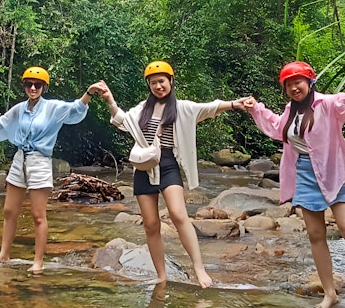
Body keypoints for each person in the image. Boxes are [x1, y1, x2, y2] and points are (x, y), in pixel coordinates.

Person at [238, 60, 345, 308]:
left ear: (309, 82)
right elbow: (275, 127)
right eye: (289, 84)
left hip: (332, 171)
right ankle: (330, 293)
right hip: (305, 175)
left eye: (298, 82)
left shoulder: (325, 104)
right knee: (316, 236)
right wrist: (256, 109)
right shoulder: (290, 112)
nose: (294, 87)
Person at [95, 61, 244, 289]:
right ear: (149, 85)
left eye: (162, 81)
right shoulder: (143, 108)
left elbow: (209, 107)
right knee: (151, 225)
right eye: (153, 82)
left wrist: (235, 104)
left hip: (168, 163)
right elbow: (123, 122)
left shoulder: (182, 107)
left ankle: (199, 268)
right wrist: (110, 100)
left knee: (178, 214)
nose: (158, 86)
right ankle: (161, 275)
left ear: (171, 81)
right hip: (144, 167)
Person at [0, 66, 105, 275]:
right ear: (24, 86)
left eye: (37, 85)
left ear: (44, 87)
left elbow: (75, 111)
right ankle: (4, 254)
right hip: (20, 159)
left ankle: (38, 261)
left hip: (40, 161)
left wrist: (89, 93)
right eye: (29, 84)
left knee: (38, 215)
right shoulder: (18, 110)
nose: (33, 88)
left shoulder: (53, 108)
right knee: (9, 211)